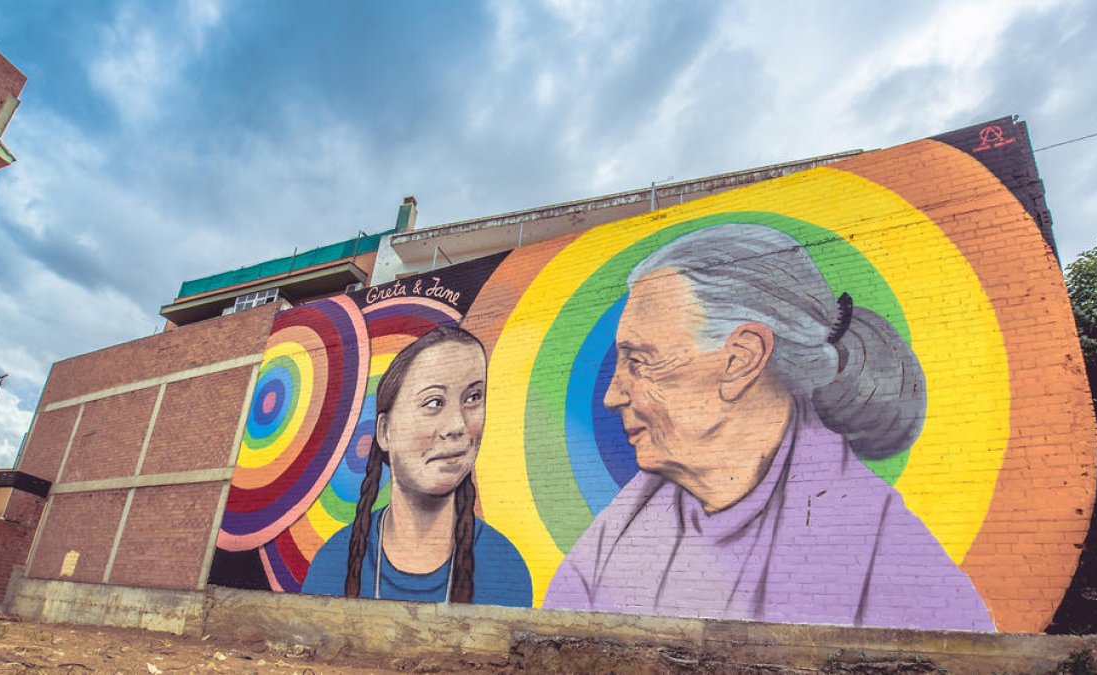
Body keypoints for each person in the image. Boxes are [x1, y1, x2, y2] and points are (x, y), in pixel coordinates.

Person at [543, 224, 994, 631]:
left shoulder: (896, 566)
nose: (612, 395)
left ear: (741, 359)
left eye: (639, 362)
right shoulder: (620, 530)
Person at [302, 326, 532, 606]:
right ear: (385, 431)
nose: (458, 426)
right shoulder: (333, 562)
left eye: (473, 398)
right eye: (434, 402)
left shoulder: (504, 566)